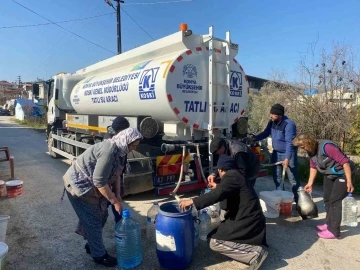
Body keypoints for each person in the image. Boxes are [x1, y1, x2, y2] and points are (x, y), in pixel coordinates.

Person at [63, 127, 143, 267]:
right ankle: (99, 255)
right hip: (79, 185)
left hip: (92, 185)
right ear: (126, 141)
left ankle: (92, 245)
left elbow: (117, 174)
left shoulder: (121, 151)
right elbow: (99, 181)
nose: (133, 149)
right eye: (132, 145)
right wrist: (113, 201)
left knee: (102, 215)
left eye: (136, 146)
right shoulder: (109, 151)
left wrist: (117, 196)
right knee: (93, 219)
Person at [179, 155, 268, 270]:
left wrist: (192, 201)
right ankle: (248, 245)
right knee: (216, 232)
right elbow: (225, 191)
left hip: (248, 222)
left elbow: (216, 195)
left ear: (221, 170)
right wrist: (218, 187)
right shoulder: (236, 175)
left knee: (214, 241)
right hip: (250, 218)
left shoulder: (232, 177)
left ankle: (255, 254)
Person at [293, 134, 355, 239]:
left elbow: (345, 162)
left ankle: (334, 231)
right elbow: (313, 166)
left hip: (343, 174)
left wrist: (349, 181)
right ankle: (328, 224)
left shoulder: (327, 147)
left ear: (309, 142)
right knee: (327, 199)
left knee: (335, 201)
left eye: (303, 147)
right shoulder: (311, 151)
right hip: (330, 174)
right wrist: (310, 183)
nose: (302, 149)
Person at [253, 103, 300, 202]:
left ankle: (298, 200)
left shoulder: (289, 124)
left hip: (288, 154)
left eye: (273, 114)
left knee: (293, 179)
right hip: (276, 153)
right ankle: (281, 200)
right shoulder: (272, 122)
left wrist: (287, 158)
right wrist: (254, 138)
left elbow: (289, 143)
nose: (271, 116)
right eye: (271, 113)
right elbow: (266, 133)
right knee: (277, 178)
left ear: (280, 115)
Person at [102, 116, 130, 223]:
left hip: (116, 176)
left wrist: (117, 195)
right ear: (120, 130)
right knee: (106, 204)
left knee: (117, 202)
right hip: (107, 180)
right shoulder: (110, 141)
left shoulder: (121, 139)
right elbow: (102, 178)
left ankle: (120, 224)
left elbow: (118, 173)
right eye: (125, 130)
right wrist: (114, 198)